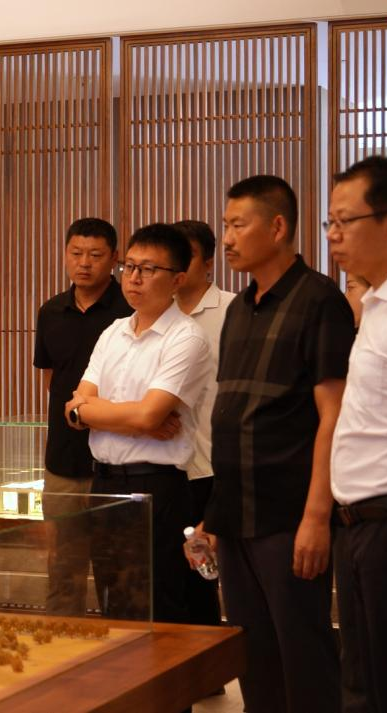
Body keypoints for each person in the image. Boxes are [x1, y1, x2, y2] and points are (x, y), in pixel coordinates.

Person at [200, 175, 352, 713]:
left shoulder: (320, 300)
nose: (228, 238)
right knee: (254, 653)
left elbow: (333, 416)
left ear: (278, 226)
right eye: (225, 225)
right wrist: (214, 514)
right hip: (236, 511)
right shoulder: (239, 308)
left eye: (239, 225)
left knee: (303, 653)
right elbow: (231, 416)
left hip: (288, 512)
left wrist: (317, 516)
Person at [65, 223, 211, 623]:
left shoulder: (186, 338)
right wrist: (133, 419)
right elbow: (73, 409)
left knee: (159, 602)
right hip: (104, 482)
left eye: (148, 269)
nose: (134, 278)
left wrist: (100, 413)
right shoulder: (113, 332)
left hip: (157, 486)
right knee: (113, 599)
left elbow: (148, 414)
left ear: (177, 279)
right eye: (129, 267)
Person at [325, 155, 387, 713]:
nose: (334, 235)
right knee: (361, 683)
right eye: (330, 222)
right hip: (357, 523)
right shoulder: (375, 303)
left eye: (345, 221)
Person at [33, 218, 132, 616]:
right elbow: (51, 380)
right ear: (65, 255)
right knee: (63, 568)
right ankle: (63, 644)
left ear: (114, 258)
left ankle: (121, 647)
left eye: (95, 255)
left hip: (117, 461)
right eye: (76, 253)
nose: (84, 263)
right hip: (63, 460)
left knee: (118, 570)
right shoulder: (51, 311)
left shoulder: (130, 311)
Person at [172, 219, 235, 627]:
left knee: (207, 576)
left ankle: (210, 657)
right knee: (172, 577)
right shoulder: (154, 313)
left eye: (188, 255)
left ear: (209, 262)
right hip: (167, 462)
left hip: (213, 463)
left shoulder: (232, 310)